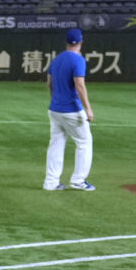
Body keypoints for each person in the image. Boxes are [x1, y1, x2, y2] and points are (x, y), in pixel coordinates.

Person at [43, 27, 95, 193]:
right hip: (71, 110)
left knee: (56, 144)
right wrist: (88, 108)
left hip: (55, 109)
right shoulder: (78, 59)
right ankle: (78, 180)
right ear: (80, 42)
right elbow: (79, 84)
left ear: (66, 42)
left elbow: (49, 83)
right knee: (84, 142)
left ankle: (51, 182)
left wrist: (55, 99)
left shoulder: (57, 59)